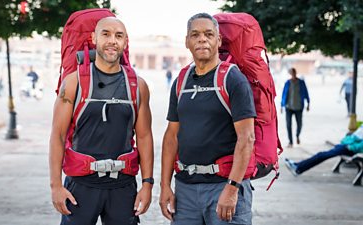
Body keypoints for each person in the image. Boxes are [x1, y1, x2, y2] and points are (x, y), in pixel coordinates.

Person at [49, 17, 154, 225]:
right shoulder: (73, 83)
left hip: (122, 187)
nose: (112, 41)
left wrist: (147, 184)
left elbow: (144, 136)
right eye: (106, 34)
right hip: (80, 186)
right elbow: (58, 136)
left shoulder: (137, 86)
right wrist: (56, 186)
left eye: (118, 36)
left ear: (125, 42)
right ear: (94, 38)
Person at [159, 13, 256, 225]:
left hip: (223, 186)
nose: (202, 39)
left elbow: (247, 137)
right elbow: (171, 137)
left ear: (218, 40)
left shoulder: (233, 79)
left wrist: (232, 188)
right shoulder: (181, 82)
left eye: (208, 34)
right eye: (195, 34)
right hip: (185, 190)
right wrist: (165, 185)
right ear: (187, 42)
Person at [285, 124, 363, 176]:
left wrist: (351, 146)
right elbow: (353, 137)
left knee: (322, 155)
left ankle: (298, 168)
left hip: (350, 149)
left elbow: (358, 144)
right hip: (347, 146)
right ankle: (298, 167)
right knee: (322, 154)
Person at [281, 68, 310, 147]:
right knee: (288, 125)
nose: (292, 74)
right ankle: (290, 142)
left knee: (299, 124)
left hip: (299, 107)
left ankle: (297, 135)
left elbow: (306, 92)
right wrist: (281, 105)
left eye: (293, 72)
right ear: (290, 74)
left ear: (295, 73)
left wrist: (308, 103)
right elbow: (284, 94)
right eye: (291, 73)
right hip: (288, 107)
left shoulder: (301, 82)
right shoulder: (287, 83)